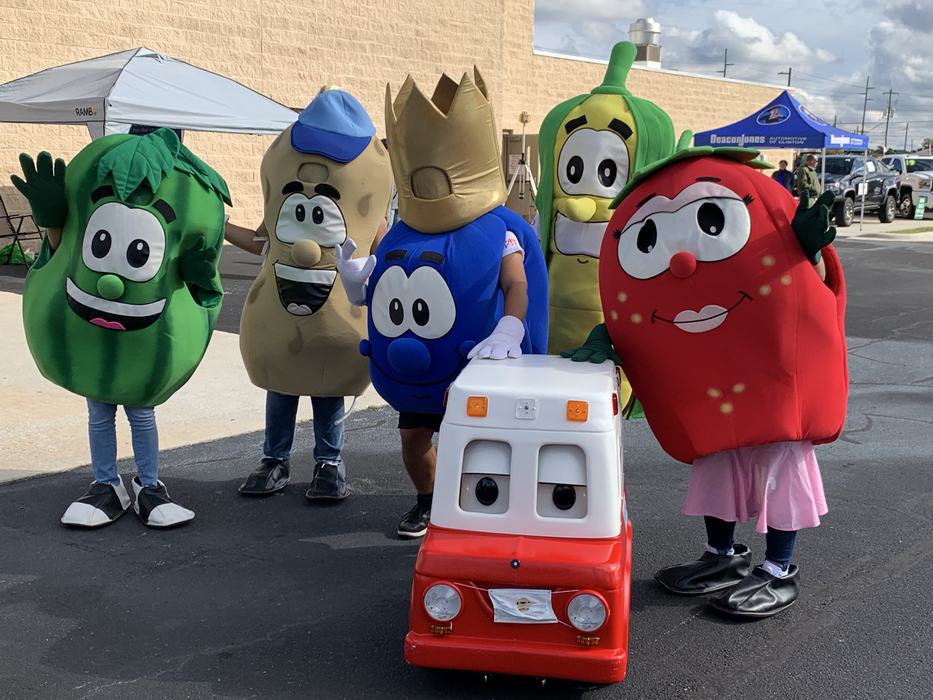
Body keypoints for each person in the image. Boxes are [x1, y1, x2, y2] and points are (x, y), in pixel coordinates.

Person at [567, 147, 847, 618]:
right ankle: (724, 555)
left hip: (772, 390)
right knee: (717, 471)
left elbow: (808, 286)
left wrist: (811, 249)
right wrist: (606, 340)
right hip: (717, 397)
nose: (680, 263)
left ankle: (779, 568)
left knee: (780, 475)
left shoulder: (770, 227)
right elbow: (637, 320)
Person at [337, 68, 548, 538]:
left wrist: (510, 328)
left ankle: (479, 510)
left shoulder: (501, 229)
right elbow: (386, 280)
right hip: (415, 363)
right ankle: (427, 502)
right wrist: (358, 283)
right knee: (414, 440)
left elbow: (517, 285)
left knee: (474, 443)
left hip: (474, 359)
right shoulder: (401, 231)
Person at [13, 130, 230, 528]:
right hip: (92, 334)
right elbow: (62, 249)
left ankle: (149, 486)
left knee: (141, 413)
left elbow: (195, 276)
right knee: (99, 412)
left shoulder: (187, 200)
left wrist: (199, 273)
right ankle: (105, 485)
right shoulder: (94, 183)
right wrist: (50, 218)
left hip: (143, 340)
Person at [228, 89, 393, 501]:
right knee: (280, 386)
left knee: (328, 388)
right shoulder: (285, 199)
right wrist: (219, 225)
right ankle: (274, 460)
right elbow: (259, 239)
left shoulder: (368, 215)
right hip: (282, 313)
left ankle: (329, 464)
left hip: (335, 313)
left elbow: (385, 250)